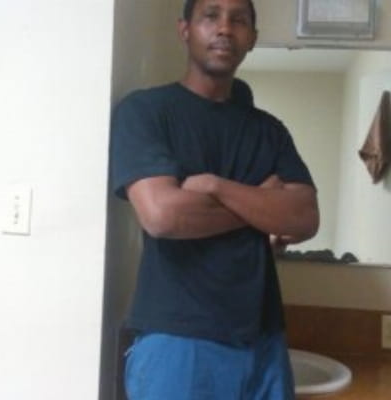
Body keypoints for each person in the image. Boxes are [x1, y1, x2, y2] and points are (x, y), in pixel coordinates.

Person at [110, 0, 320, 399]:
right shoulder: (145, 111)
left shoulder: (269, 131)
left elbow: (305, 216)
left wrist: (216, 187)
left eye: (238, 20)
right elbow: (162, 216)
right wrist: (262, 204)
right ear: (184, 29)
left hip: (264, 341)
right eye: (211, 16)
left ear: (252, 38)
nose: (225, 28)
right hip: (177, 342)